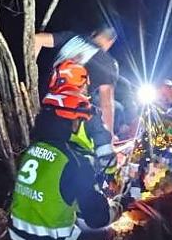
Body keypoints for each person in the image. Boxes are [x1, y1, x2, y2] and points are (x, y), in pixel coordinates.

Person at [7, 82, 125, 240]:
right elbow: (98, 218)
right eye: (79, 121)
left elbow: (54, 192)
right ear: (71, 121)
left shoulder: (32, 150)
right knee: (102, 235)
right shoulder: (75, 162)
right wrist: (121, 204)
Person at [34, 26, 119, 158]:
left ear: (93, 33)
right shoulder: (107, 62)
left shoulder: (72, 38)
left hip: (44, 108)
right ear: (110, 42)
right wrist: (109, 137)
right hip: (70, 121)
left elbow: (36, 39)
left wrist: (30, 76)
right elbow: (107, 103)